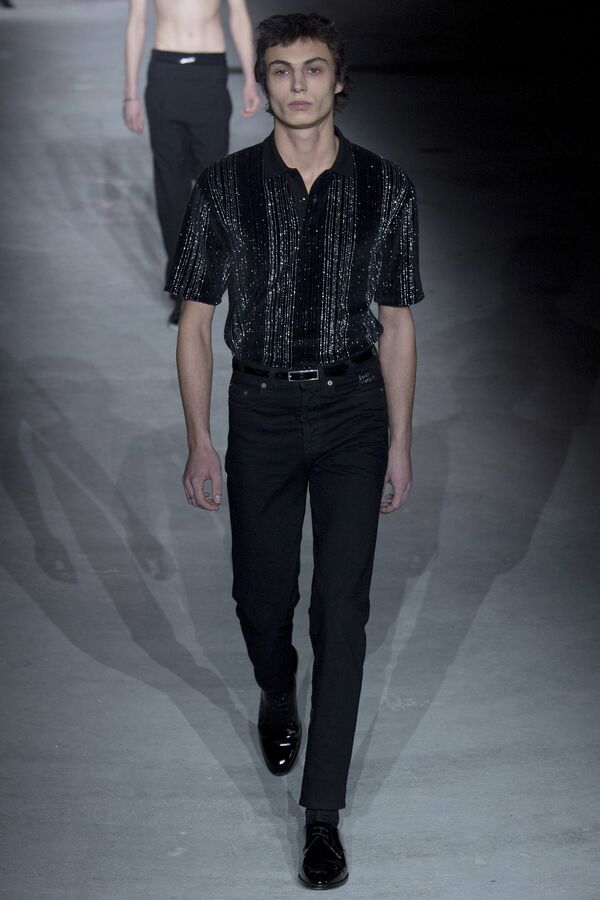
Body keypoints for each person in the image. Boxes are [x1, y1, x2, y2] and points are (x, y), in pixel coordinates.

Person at [168, 12, 424, 889]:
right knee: (261, 597)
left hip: (354, 411)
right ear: (264, 84)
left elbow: (398, 324)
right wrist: (200, 440)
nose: (299, 85)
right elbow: (194, 324)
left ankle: (323, 817)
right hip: (263, 410)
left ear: (338, 81)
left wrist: (400, 442)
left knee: (341, 613)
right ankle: (277, 688)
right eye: (282, 70)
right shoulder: (222, 187)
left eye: (314, 69)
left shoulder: (387, 187)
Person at [123, 0, 260, 324]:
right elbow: (136, 22)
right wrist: (130, 93)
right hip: (165, 72)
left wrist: (250, 78)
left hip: (210, 73)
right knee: (171, 189)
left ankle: (211, 270)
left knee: (214, 187)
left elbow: (238, 15)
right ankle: (184, 288)